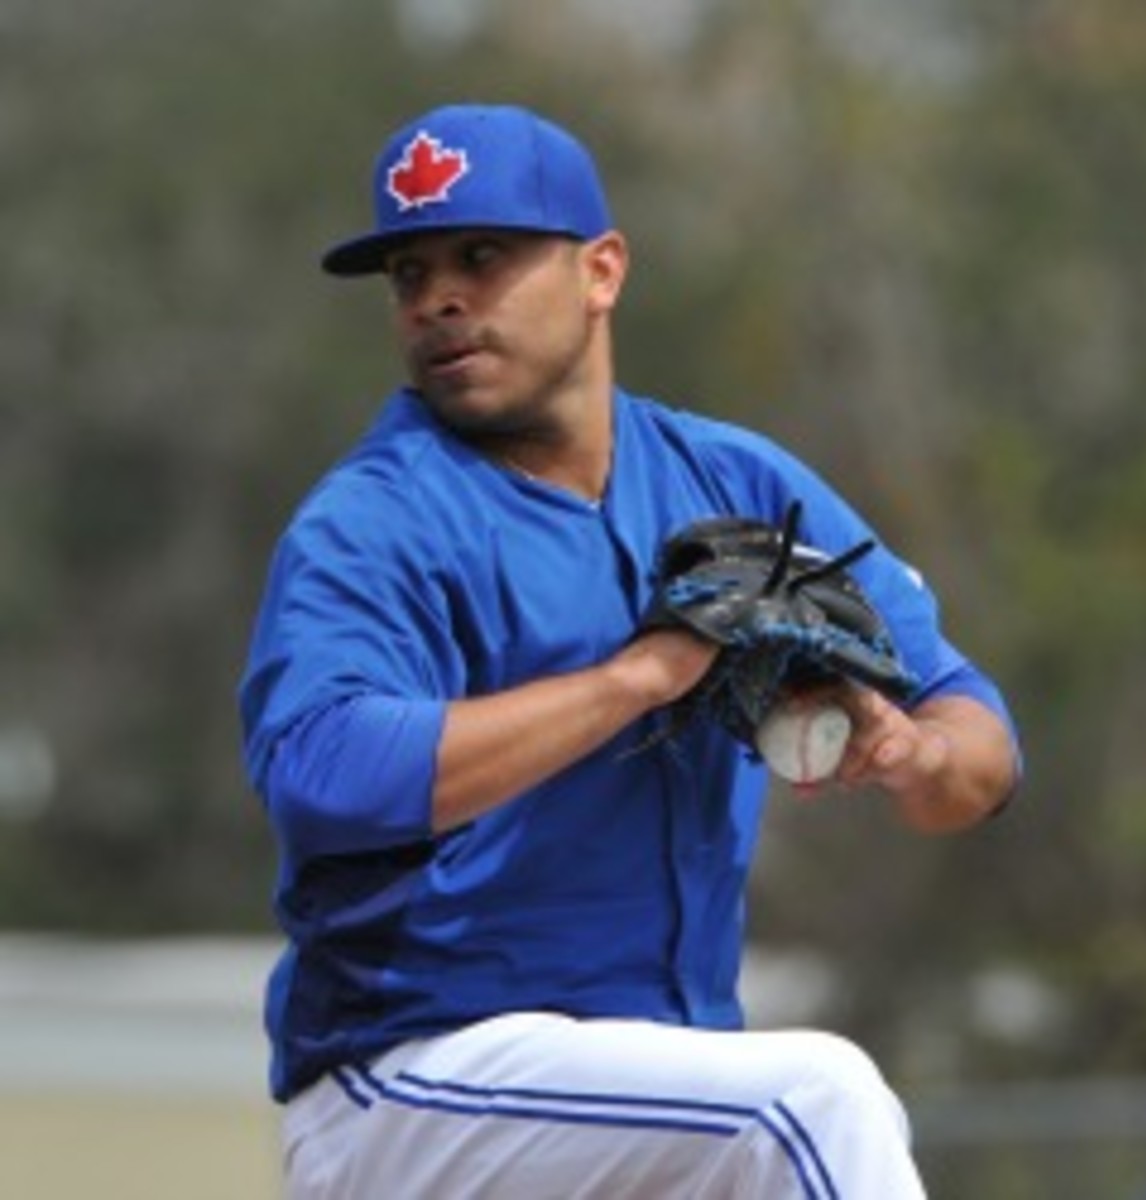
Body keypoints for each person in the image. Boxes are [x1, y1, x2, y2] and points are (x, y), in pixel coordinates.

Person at [239, 102, 1020, 1199]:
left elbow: (976, 735)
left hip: (653, 1096)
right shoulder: (376, 521)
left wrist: (917, 756)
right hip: (414, 1080)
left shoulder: (735, 483)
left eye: (482, 255)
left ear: (601, 272)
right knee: (813, 1106)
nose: (440, 298)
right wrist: (640, 676)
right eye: (409, 274)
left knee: (779, 1115)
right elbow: (323, 774)